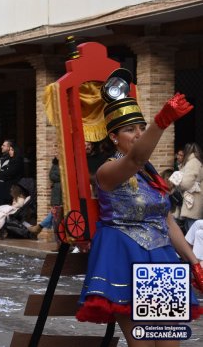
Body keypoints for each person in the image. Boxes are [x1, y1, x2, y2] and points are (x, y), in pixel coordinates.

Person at [76, 70, 203, 344]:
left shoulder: (150, 172)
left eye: (142, 128)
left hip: (162, 258)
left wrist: (194, 262)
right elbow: (134, 159)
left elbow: (166, 220)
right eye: (130, 129)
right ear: (113, 137)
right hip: (126, 257)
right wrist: (160, 123)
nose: (138, 134)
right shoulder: (107, 170)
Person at [28, 155, 62, 236]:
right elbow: (52, 176)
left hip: (62, 193)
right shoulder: (55, 164)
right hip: (56, 193)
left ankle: (40, 226)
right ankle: (40, 227)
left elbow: (64, 175)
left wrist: (59, 175)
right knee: (55, 213)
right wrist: (60, 174)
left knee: (55, 213)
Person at [173, 142, 202, 233]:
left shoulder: (192, 162)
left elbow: (186, 184)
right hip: (195, 201)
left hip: (193, 203)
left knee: (192, 231)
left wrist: (177, 181)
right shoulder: (197, 161)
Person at [0, 140, 24, 205]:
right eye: (10, 150)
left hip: (13, 188)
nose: (10, 151)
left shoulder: (17, 160)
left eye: (12, 150)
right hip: (6, 187)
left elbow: (9, 173)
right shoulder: (10, 160)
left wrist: (4, 172)